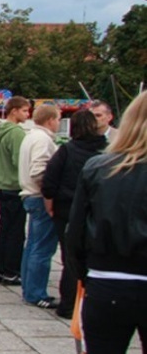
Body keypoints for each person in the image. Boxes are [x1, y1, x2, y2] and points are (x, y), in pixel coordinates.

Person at [67, 91, 147, 354]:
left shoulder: (100, 168)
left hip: (107, 283)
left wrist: (86, 278)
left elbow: (76, 233)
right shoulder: (97, 166)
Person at [42, 110, 107, 319]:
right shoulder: (107, 152)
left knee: (69, 257)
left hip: (66, 209)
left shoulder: (66, 151)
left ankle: (69, 303)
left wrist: (50, 203)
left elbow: (49, 181)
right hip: (97, 209)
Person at [19, 104, 61, 309]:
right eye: (58, 119)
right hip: (38, 196)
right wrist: (49, 196)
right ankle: (36, 292)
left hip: (29, 194)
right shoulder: (43, 140)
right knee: (42, 247)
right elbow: (39, 171)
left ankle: (29, 288)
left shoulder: (31, 136)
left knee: (33, 244)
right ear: (50, 120)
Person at [0, 96, 30, 286]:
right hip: (14, 185)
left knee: (4, 228)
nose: (27, 115)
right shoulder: (16, 133)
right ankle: (12, 270)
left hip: (2, 185)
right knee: (16, 231)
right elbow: (19, 160)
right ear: (14, 111)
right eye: (24, 110)